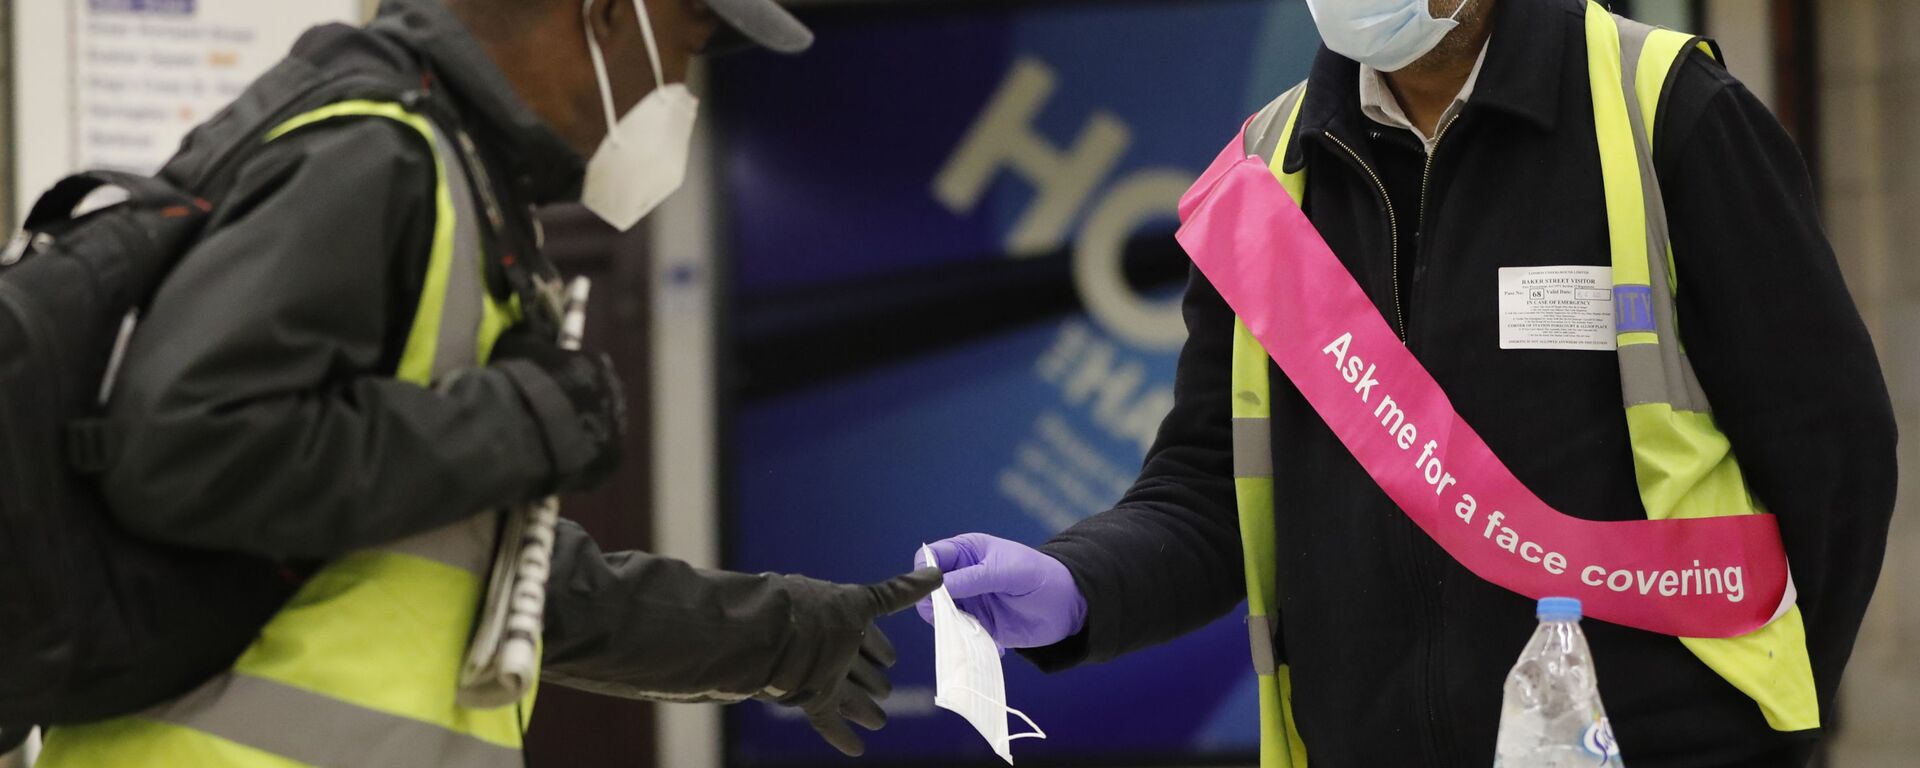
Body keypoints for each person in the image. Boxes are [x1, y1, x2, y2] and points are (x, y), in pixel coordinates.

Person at [918, 1, 1897, 767]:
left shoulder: (1664, 114)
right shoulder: (1268, 177)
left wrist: (1757, 720)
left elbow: (1832, 447)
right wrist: (1079, 584)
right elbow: (1211, 492)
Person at [34, 0, 938, 765]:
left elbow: (475, 571)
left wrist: (785, 633)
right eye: (685, 51)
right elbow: (191, 446)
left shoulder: (459, 190)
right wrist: (525, 420)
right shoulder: (376, 157)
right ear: (605, 15)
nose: (678, 96)